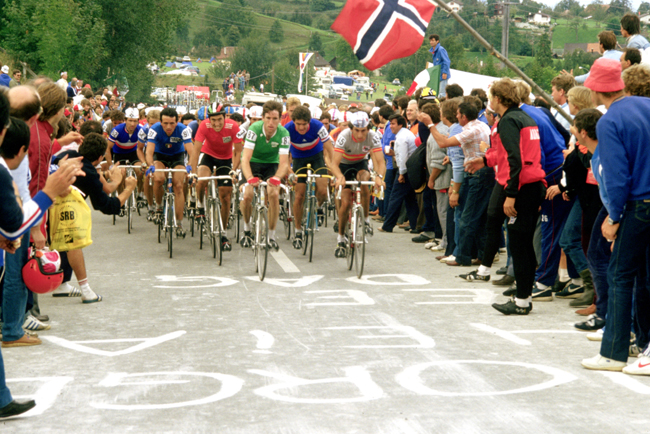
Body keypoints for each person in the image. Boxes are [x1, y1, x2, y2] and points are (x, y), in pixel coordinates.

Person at [581, 58, 650, 372]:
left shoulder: (609, 121)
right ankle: (646, 347)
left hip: (638, 205)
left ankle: (613, 351)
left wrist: (613, 217)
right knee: (646, 278)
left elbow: (618, 176)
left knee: (620, 276)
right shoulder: (646, 106)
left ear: (596, 89)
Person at [464, 78, 546, 314]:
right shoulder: (525, 117)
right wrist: (486, 160)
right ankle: (525, 296)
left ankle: (521, 301)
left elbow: (514, 159)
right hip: (532, 185)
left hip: (521, 187)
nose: (489, 101)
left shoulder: (509, 120)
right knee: (524, 245)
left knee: (519, 245)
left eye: (491, 97)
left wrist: (510, 195)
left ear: (498, 99)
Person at [53, 133, 137, 304]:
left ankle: (62, 283)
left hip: (41, 205)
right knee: (73, 242)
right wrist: (128, 189)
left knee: (61, 242)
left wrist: (110, 178)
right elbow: (107, 206)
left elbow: (103, 185)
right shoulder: (89, 172)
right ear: (100, 158)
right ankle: (86, 290)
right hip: (59, 209)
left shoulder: (65, 156)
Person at [424, 99, 493, 267]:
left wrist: (430, 125)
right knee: (480, 218)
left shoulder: (471, 130)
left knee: (466, 218)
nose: (455, 117)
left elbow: (443, 143)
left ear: (463, 116)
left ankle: (462, 256)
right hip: (483, 173)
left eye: (457, 114)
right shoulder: (482, 126)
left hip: (475, 174)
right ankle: (481, 255)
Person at [329, 111, 386, 257]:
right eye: (357, 131)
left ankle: (366, 219)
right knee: (346, 202)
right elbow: (333, 164)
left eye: (364, 131)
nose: (360, 135)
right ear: (351, 128)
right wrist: (339, 176)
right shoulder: (343, 136)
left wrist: (379, 177)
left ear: (368, 128)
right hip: (343, 165)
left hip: (360, 163)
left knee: (365, 181)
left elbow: (380, 162)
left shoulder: (373, 136)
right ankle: (341, 238)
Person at [190, 103, 243, 251]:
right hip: (208, 156)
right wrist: (193, 171)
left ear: (225, 117)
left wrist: (234, 169)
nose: (216, 123)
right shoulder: (204, 126)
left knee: (225, 197)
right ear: (209, 119)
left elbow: (238, 152)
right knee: (201, 180)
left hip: (226, 159)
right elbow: (195, 151)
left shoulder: (233, 127)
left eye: (220, 119)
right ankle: (200, 207)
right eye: (213, 120)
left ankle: (223, 234)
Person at [239, 101, 290, 251]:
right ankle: (247, 229)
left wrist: (277, 178)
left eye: (275, 119)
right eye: (268, 118)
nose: (271, 122)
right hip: (252, 163)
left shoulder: (284, 133)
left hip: (271, 164)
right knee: (247, 195)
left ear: (280, 119)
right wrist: (249, 178)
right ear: (262, 118)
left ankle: (272, 235)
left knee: (273, 193)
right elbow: (245, 159)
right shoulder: (254, 129)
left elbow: (284, 164)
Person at [284, 106, 333, 249]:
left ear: (309, 122)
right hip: (299, 160)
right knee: (299, 195)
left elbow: (330, 149)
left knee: (323, 191)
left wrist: (334, 169)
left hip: (317, 157)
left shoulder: (317, 126)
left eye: (304, 124)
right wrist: (289, 171)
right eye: (298, 124)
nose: (301, 127)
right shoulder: (287, 129)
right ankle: (298, 231)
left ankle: (316, 207)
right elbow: (284, 156)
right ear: (293, 122)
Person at [145, 107, 192, 237]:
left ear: (177, 122)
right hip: (160, 156)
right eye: (165, 123)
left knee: (178, 186)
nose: (168, 126)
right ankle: (159, 207)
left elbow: (191, 151)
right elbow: (149, 151)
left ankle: (179, 223)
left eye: (172, 123)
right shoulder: (154, 129)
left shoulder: (183, 129)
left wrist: (189, 165)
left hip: (178, 156)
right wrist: (150, 165)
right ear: (160, 122)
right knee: (159, 178)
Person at [378, 114, 419, 233]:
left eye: (393, 124)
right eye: (390, 123)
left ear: (400, 124)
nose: (391, 126)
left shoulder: (401, 137)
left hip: (405, 171)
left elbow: (403, 157)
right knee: (410, 198)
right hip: (410, 169)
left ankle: (388, 225)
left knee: (395, 198)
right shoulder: (406, 133)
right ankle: (414, 224)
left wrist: (401, 174)